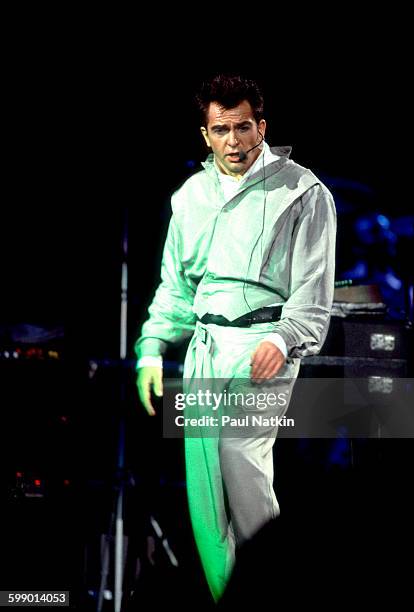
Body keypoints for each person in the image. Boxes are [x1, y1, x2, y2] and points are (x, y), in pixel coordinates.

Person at [135, 74, 336, 602]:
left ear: (261, 127)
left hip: (265, 342)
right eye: (221, 129)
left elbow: (312, 292)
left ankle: (274, 592)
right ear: (205, 134)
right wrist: (153, 348)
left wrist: (287, 337)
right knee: (204, 496)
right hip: (205, 348)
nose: (233, 141)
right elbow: (176, 286)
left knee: (238, 455)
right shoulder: (192, 196)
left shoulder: (301, 190)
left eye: (243, 127)